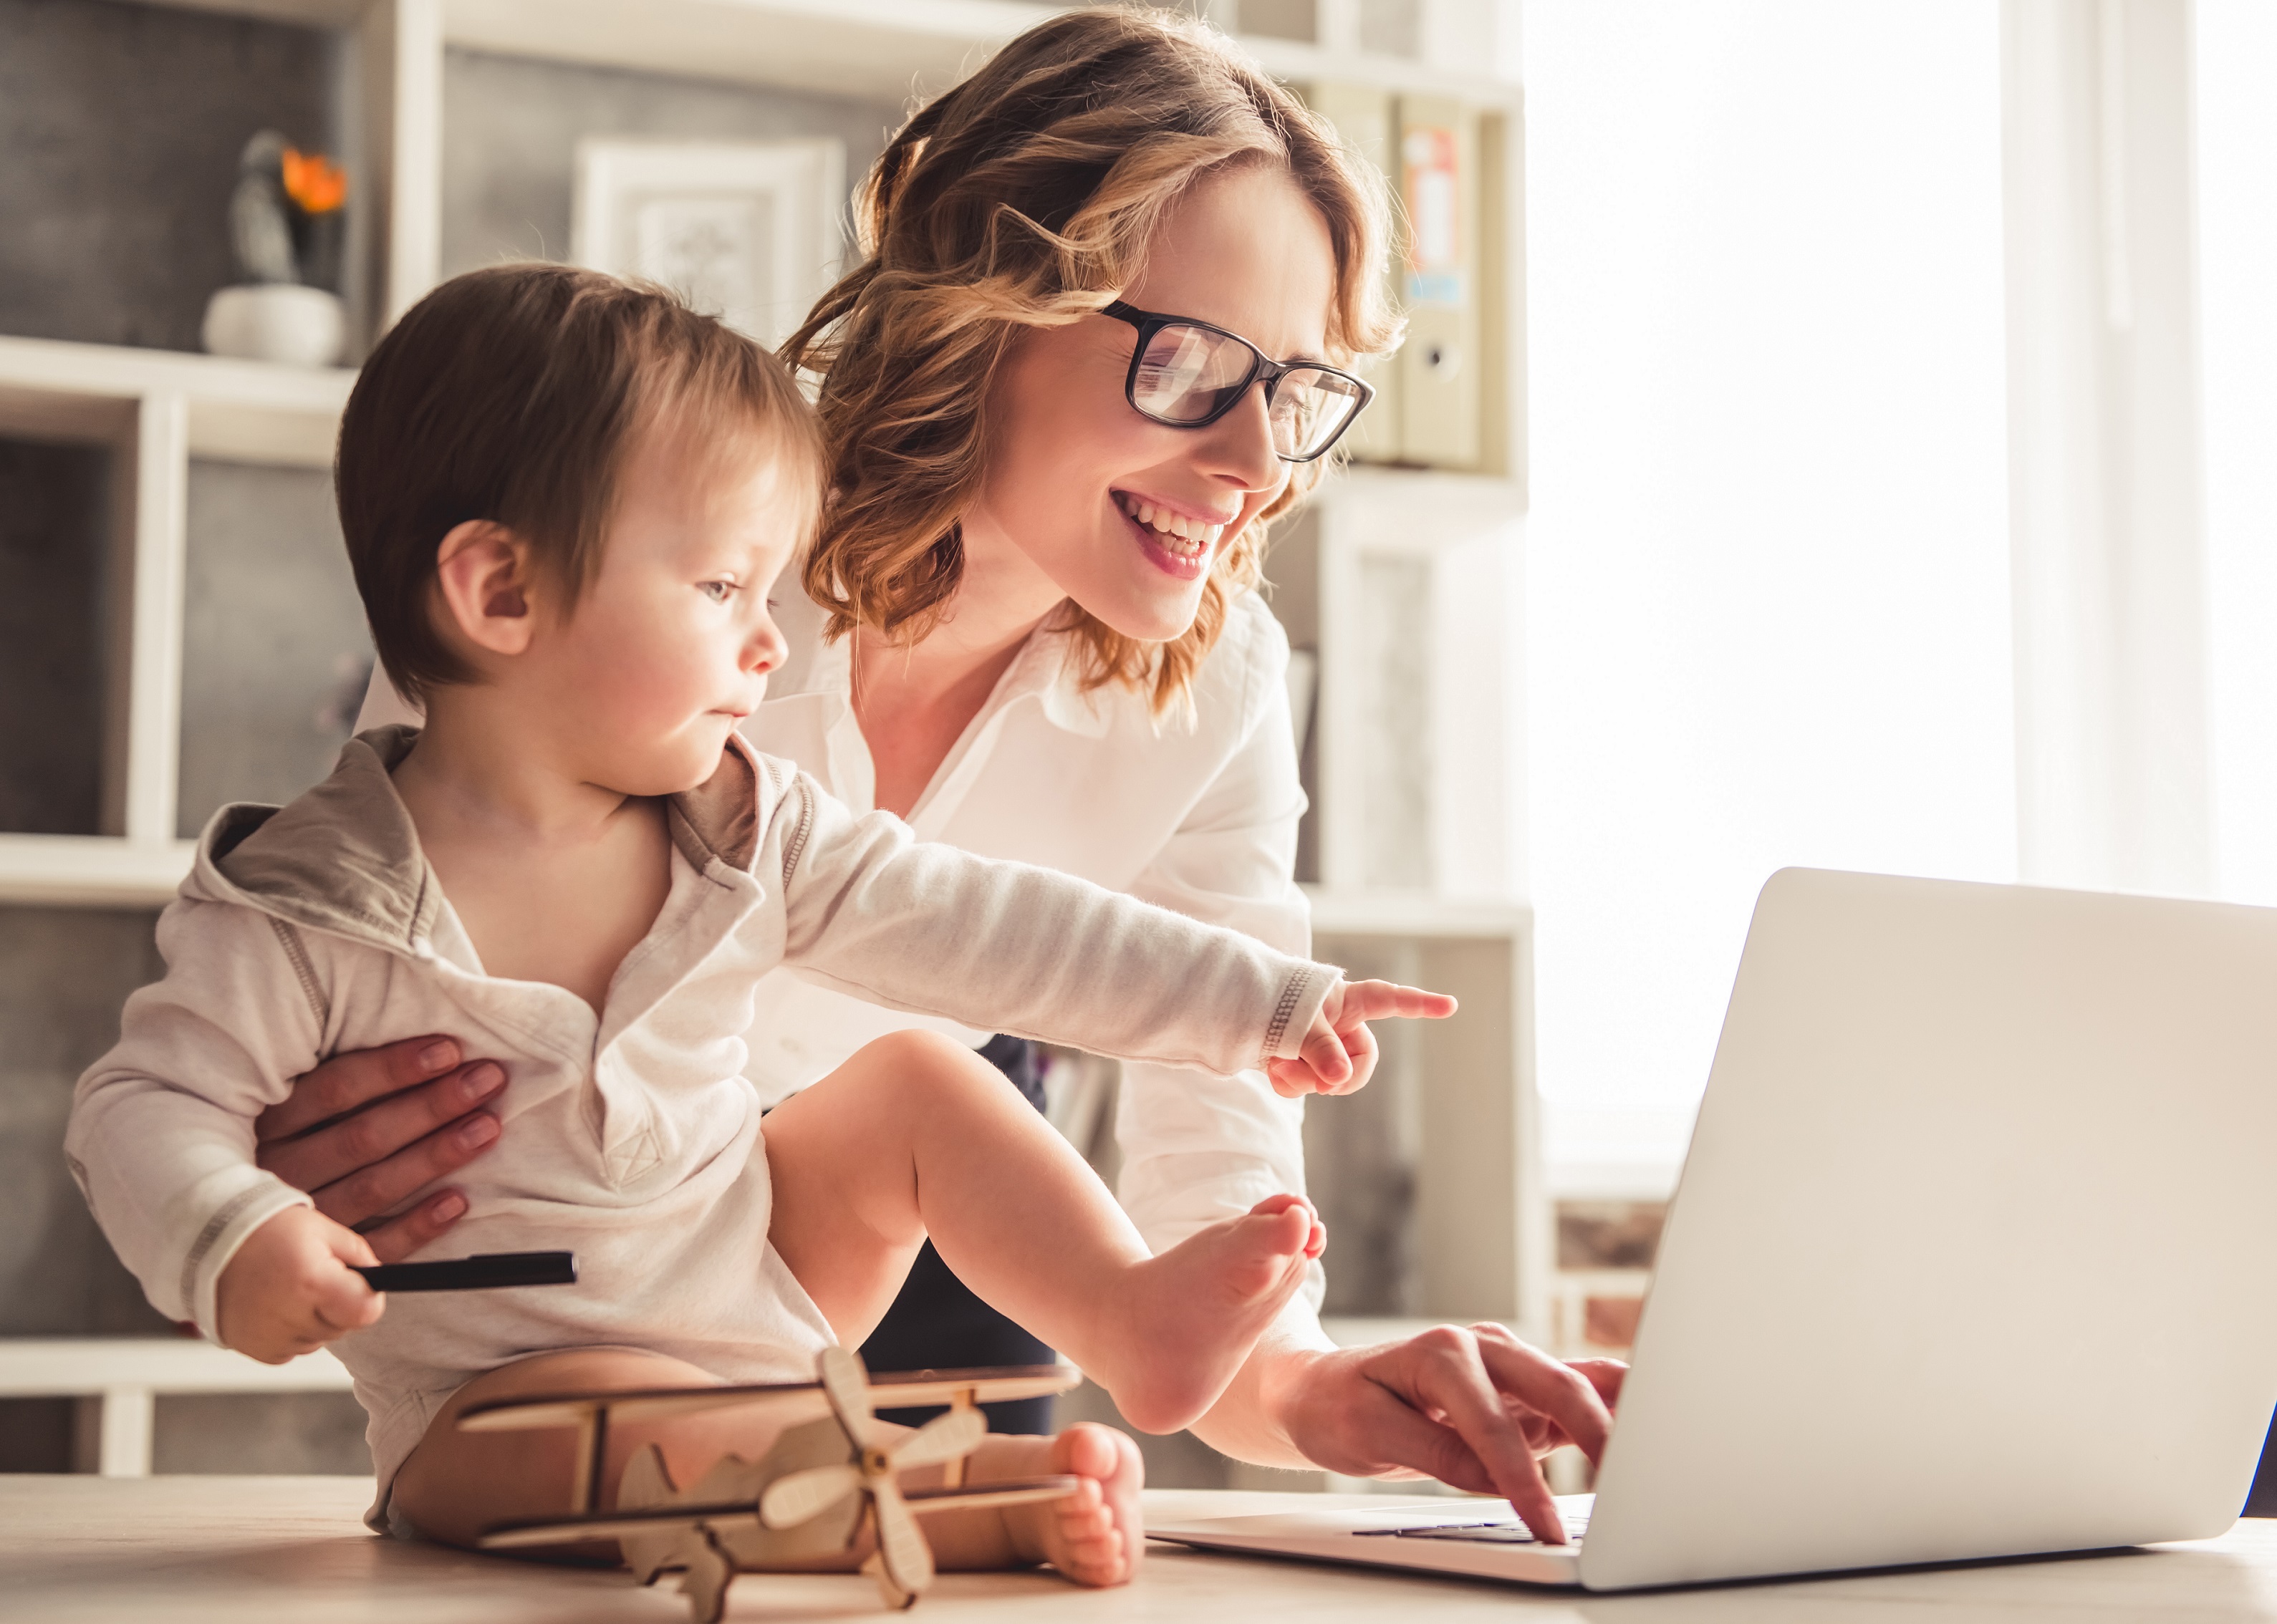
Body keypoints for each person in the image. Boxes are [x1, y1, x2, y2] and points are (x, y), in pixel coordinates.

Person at [298, 8, 1621, 1545]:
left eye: (1300, 390)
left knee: (934, 1163)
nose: (1259, 460)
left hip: (886, 1258)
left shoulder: (1219, 689)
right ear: (989, 302)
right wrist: (283, 1143)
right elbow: (342, 930)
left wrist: (1317, 1389)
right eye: (1191, 361)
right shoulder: (670, 568)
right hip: (557, 1285)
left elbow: (1223, 1190)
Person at [67, 264, 1458, 1581]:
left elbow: (998, 927)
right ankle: (933, 1507)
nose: (770, 639)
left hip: (765, 1278)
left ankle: (1125, 1314)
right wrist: (236, 1232)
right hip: (503, 1402)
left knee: (922, 1074)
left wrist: (1264, 1001)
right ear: (501, 592)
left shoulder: (746, 824)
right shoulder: (311, 898)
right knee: (613, 1441)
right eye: (725, 590)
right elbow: (142, 1107)